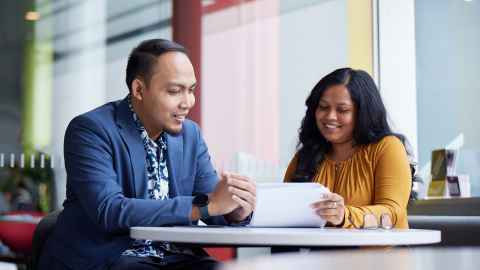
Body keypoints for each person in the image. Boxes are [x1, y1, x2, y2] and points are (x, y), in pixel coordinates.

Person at [39, 39, 256, 270]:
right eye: (175, 91)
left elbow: (212, 201)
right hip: (109, 257)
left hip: (175, 256)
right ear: (139, 90)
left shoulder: (189, 134)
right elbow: (110, 210)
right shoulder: (90, 130)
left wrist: (236, 210)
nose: (188, 102)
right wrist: (206, 206)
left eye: (191, 90)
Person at [284, 68, 411, 229]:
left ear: (363, 113)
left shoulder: (387, 147)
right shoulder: (306, 155)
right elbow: (286, 210)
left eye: (342, 110)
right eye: (323, 107)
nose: (330, 116)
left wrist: (345, 215)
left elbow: (392, 213)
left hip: (378, 254)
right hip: (315, 253)